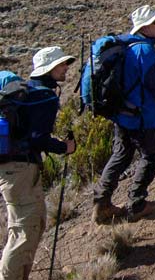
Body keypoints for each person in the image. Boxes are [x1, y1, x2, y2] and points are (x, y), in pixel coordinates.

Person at [0, 47, 76, 280]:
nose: (66, 68)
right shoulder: (44, 96)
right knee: (25, 229)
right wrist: (65, 147)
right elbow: (37, 138)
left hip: (13, 170)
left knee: (26, 226)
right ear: (50, 68)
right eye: (62, 64)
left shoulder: (27, 92)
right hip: (21, 170)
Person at [92, 5, 155, 224]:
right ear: (144, 27)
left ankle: (102, 203)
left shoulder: (124, 46)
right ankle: (137, 204)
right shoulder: (143, 50)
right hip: (142, 114)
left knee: (121, 155)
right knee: (150, 157)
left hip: (121, 113)